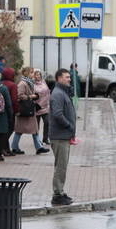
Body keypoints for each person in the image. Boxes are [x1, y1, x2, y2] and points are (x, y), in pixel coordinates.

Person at [49, 68, 76, 206]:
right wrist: (69, 126)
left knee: (62, 166)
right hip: (59, 136)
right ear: (59, 78)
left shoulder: (62, 92)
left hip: (63, 135)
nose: (69, 79)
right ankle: (57, 195)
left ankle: (60, 191)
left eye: (69, 77)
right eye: (66, 77)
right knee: (61, 166)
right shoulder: (58, 94)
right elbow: (58, 114)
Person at [12, 67, 50, 155]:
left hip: (29, 109)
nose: (33, 74)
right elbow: (20, 95)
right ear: (27, 73)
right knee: (20, 130)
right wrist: (31, 96)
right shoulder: (23, 83)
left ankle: (38, 147)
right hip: (25, 110)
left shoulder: (29, 82)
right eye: (32, 72)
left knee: (33, 129)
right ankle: (15, 147)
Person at [0, 67, 19, 156]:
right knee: (10, 129)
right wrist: (17, 110)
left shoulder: (1, 83)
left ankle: (6, 149)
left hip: (0, 110)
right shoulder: (13, 85)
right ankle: (2, 147)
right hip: (10, 110)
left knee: (4, 129)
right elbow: (14, 100)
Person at [33, 68, 51, 145]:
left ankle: (45, 138)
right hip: (37, 107)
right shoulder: (32, 84)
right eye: (36, 75)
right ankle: (37, 140)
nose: (38, 76)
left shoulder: (44, 82)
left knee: (47, 122)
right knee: (36, 125)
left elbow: (48, 92)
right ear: (34, 76)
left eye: (39, 74)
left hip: (45, 106)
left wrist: (49, 102)